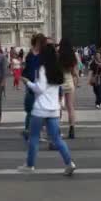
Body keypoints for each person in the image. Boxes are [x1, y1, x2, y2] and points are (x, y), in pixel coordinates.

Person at [18, 43, 76, 175]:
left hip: (40, 108)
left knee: (33, 138)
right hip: (54, 109)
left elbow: (40, 88)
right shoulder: (57, 69)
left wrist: (27, 82)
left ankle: (30, 165)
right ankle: (69, 163)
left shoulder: (42, 69)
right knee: (57, 139)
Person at [21, 34, 47, 140]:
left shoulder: (44, 55)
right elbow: (26, 69)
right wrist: (25, 80)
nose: (39, 45)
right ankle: (28, 129)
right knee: (30, 108)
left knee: (41, 109)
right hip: (31, 82)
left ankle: (38, 131)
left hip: (41, 83)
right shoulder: (30, 55)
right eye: (39, 43)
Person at [59, 38, 79, 139]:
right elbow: (75, 73)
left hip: (60, 83)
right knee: (70, 106)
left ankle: (57, 128)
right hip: (69, 82)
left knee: (58, 107)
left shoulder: (58, 56)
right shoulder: (72, 57)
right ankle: (72, 129)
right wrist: (76, 82)